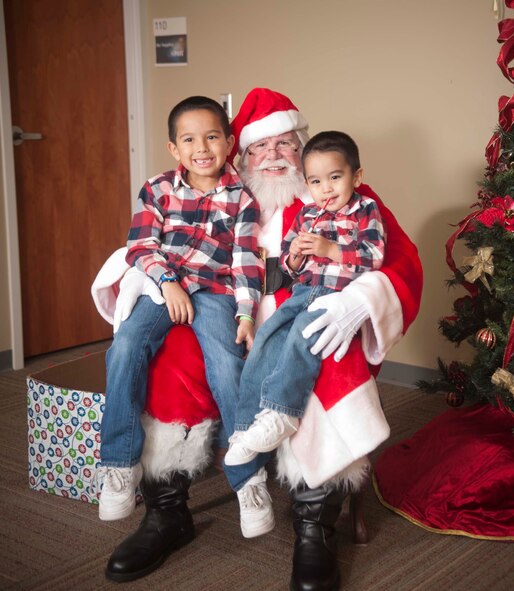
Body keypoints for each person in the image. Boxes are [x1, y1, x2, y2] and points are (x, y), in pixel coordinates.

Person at [91, 88, 423, 590]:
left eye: (286, 145)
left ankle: (314, 522)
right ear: (239, 155)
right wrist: (156, 281)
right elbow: (153, 242)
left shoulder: (336, 193)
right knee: (168, 356)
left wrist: (362, 299)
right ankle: (166, 510)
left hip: (304, 312)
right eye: (259, 149)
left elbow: (398, 258)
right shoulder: (223, 197)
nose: (273, 157)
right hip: (226, 308)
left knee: (325, 362)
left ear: (304, 151)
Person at [97, 96, 269, 535]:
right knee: (125, 349)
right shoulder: (156, 188)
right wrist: (166, 282)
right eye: (189, 139)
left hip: (214, 292)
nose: (202, 147)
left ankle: (248, 479)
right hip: (164, 287)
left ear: (229, 143)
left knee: (228, 365)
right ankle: (118, 467)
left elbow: (246, 263)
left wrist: (246, 315)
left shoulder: (242, 200)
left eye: (212, 136)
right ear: (174, 148)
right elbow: (140, 245)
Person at [225, 131, 386, 466]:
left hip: (334, 297)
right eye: (315, 181)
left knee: (301, 336)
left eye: (335, 178)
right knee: (267, 339)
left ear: (356, 177)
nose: (325, 188)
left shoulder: (364, 208)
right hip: (303, 291)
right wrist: (295, 255)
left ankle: (283, 413)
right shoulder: (308, 213)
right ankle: (243, 428)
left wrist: (332, 250)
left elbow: (374, 255)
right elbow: (287, 263)